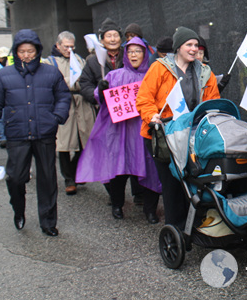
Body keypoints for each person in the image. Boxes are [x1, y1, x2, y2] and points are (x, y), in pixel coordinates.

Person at [0, 29, 70, 236]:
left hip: (45, 133)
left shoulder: (50, 73)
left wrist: (56, 117)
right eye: (22, 51)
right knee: (16, 177)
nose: (26, 55)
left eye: (30, 51)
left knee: (47, 179)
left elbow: (63, 97)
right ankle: (18, 210)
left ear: (37, 51)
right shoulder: (3, 76)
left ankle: (48, 222)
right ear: (15, 52)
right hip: (17, 134)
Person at [137, 26, 220, 228]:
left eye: (196, 45)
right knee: (172, 183)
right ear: (178, 48)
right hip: (163, 134)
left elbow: (213, 101)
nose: (193, 49)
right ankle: (176, 227)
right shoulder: (159, 68)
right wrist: (151, 116)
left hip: (192, 134)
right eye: (188, 45)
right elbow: (144, 98)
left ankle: (194, 225)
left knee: (193, 179)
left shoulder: (205, 72)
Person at [76, 37, 162, 223]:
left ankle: (150, 210)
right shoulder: (114, 76)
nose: (133, 55)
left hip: (144, 131)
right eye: (130, 51)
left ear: (145, 54)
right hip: (120, 132)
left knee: (149, 169)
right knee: (119, 169)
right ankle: (117, 205)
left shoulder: (153, 76)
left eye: (137, 51)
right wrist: (101, 89)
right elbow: (102, 99)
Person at [43, 31, 96, 195]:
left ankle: (75, 172)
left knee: (84, 142)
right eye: (66, 46)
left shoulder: (79, 60)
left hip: (81, 104)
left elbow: (86, 79)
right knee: (65, 144)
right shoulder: (49, 62)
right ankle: (69, 179)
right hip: (63, 104)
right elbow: (49, 83)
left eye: (72, 46)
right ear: (58, 45)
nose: (69, 50)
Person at [79, 17, 124, 106]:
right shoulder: (93, 61)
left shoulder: (129, 56)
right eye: (109, 36)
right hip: (104, 108)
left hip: (127, 105)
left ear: (120, 39)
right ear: (102, 40)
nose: (113, 39)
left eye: (115, 35)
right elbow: (85, 85)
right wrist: (99, 93)